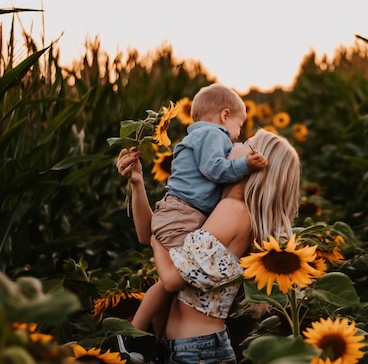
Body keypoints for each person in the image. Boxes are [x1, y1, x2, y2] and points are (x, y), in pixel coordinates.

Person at [116, 128, 301, 364]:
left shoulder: (233, 212)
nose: (232, 143)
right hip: (191, 348)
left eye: (246, 142)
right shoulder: (223, 206)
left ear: (257, 163)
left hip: (196, 351)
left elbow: (171, 276)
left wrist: (156, 240)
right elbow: (149, 235)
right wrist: (137, 183)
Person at [126, 84, 268, 344]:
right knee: (165, 284)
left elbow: (153, 240)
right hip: (182, 213)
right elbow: (215, 168)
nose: (236, 138)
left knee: (166, 281)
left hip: (178, 211)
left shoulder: (231, 210)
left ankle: (149, 338)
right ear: (224, 116)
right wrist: (244, 164)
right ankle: (132, 334)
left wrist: (156, 235)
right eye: (239, 127)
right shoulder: (213, 135)